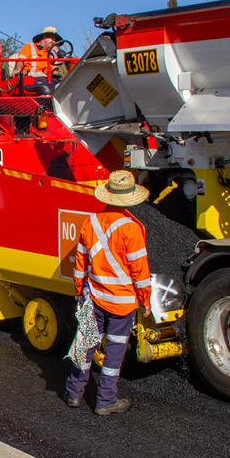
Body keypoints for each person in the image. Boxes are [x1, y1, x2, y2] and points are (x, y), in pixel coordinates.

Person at [65, 170, 152, 416]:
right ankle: (105, 401)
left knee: (84, 345)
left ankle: (73, 393)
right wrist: (145, 299)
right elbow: (140, 270)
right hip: (122, 303)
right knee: (114, 352)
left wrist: (79, 291)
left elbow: (80, 262)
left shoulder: (90, 222)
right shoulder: (132, 228)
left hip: (93, 297)